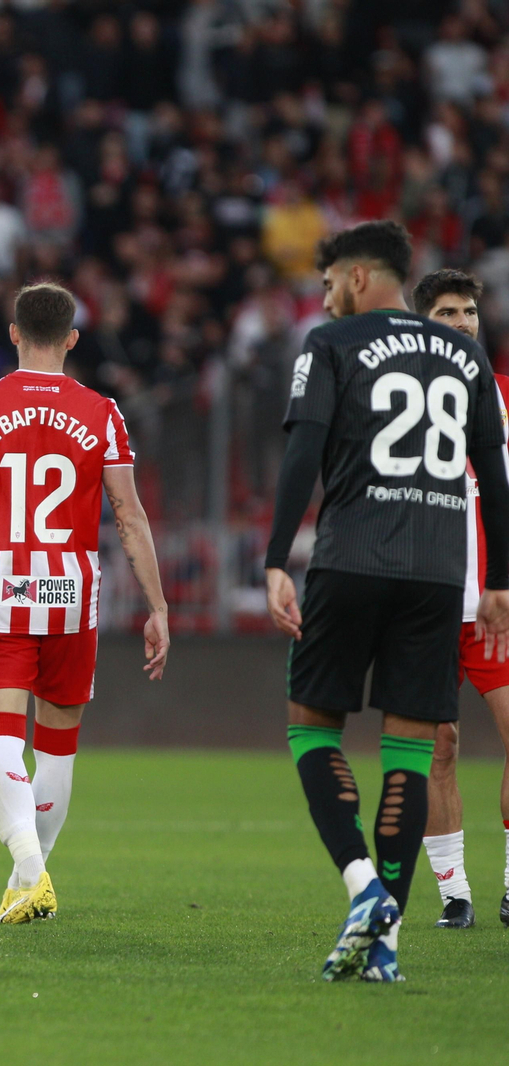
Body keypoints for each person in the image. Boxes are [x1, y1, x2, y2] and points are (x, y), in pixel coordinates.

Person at [264, 221, 509, 982]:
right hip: (439, 572)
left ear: (364, 276)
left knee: (312, 726)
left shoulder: (331, 342)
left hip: (353, 556)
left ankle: (364, 887)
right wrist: (499, 578)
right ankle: (387, 947)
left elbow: (304, 448)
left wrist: (276, 559)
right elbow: (493, 471)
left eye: (332, 276)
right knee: (410, 747)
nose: (326, 291)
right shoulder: (467, 354)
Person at [0, 282, 170, 926]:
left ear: (14, 333)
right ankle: (30, 885)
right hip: (70, 591)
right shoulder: (103, 412)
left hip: (0, 587)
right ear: (72, 340)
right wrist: (158, 606)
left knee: (0, 738)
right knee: (57, 746)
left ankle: (31, 872)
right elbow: (130, 517)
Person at [412, 268, 509, 930]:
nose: (463, 322)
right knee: (438, 747)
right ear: (423, 324)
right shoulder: (399, 403)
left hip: (495, 610)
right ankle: (455, 894)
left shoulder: (503, 399)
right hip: (425, 607)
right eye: (447, 312)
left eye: (469, 311)